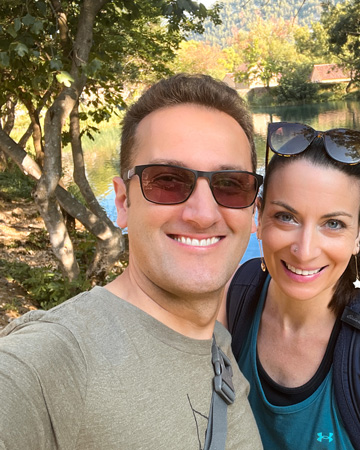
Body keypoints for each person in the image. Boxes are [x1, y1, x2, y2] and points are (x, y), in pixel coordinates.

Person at [0, 74, 263, 450]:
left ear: (253, 209)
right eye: (167, 181)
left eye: (230, 185)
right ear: (123, 202)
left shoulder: (217, 347)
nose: (203, 214)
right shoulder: (58, 360)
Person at [219, 122, 360, 449]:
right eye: (286, 217)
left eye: (333, 224)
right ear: (259, 217)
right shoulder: (235, 294)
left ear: (359, 233)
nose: (304, 251)